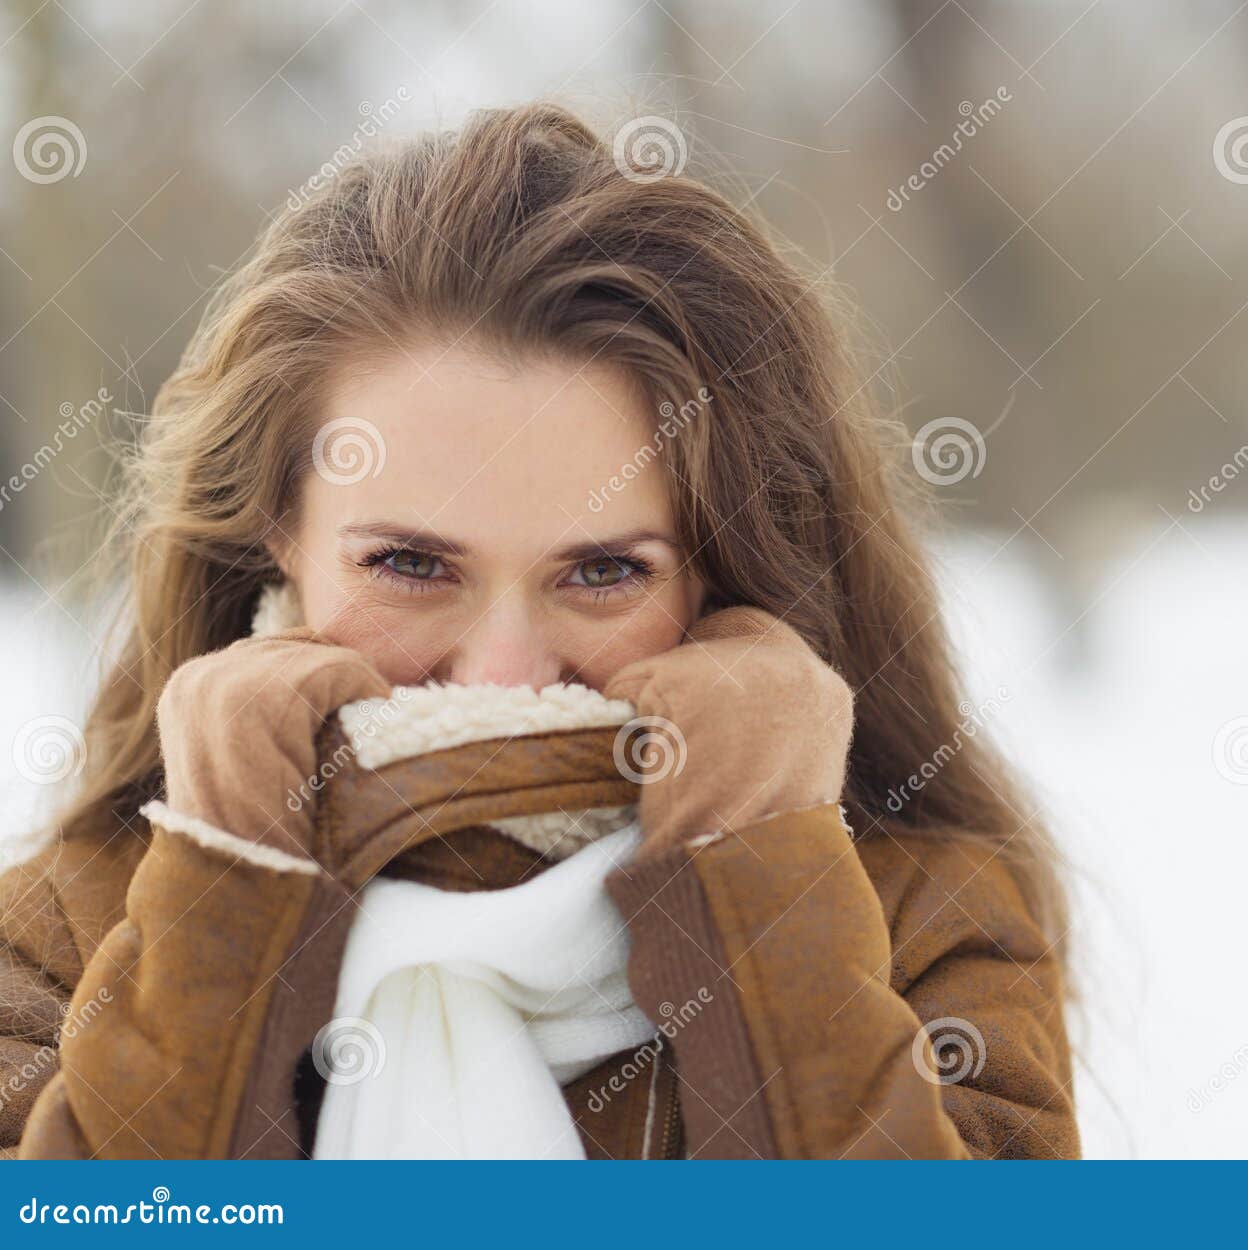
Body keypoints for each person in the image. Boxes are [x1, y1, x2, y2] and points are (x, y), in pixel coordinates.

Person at [0, 103, 1078, 1159]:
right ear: (278, 530)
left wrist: (757, 873)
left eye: (604, 571)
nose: (507, 673)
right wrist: (228, 887)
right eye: (410, 564)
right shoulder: (67, 932)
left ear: (723, 561)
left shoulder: (923, 919)